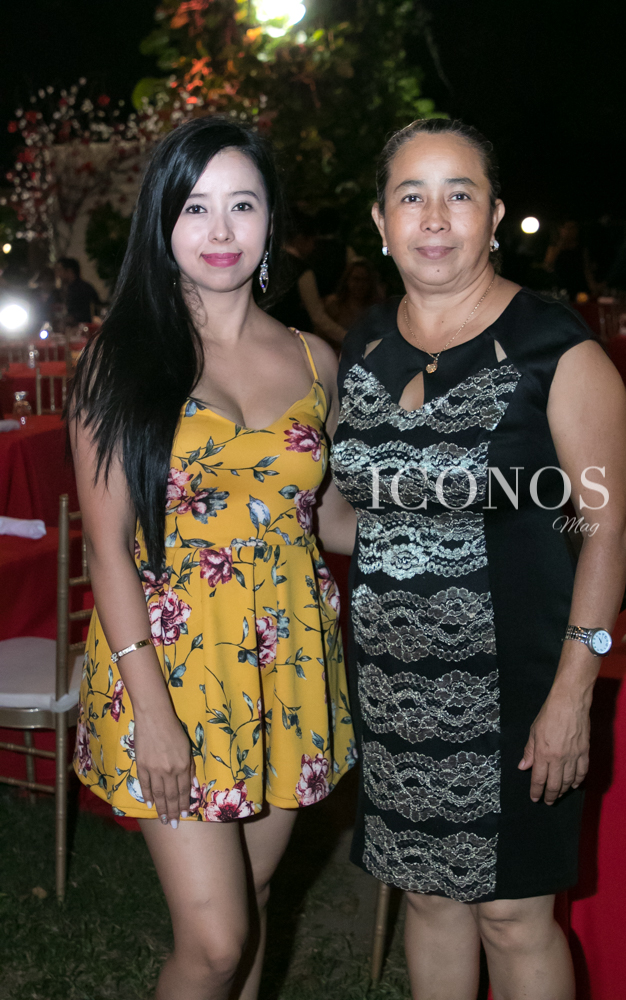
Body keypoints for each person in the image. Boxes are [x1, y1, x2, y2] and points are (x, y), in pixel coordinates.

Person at [330, 118, 626, 1000]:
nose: (434, 217)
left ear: (493, 216)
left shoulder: (554, 346)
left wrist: (573, 692)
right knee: (427, 899)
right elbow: (355, 515)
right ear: (380, 221)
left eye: (458, 194)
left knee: (513, 916)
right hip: (393, 683)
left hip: (520, 681)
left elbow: (607, 529)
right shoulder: (362, 344)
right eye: (411, 196)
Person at [67, 116, 356, 1000]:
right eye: (195, 207)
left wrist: (457, 522)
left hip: (285, 662)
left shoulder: (315, 360)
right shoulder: (120, 359)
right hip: (167, 666)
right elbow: (107, 550)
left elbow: (328, 519)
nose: (221, 230)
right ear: (162, 222)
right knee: (218, 942)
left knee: (255, 902)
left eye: (243, 205)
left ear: (272, 221)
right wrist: (153, 716)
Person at [267, 211, 347, 346]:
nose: (314, 247)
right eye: (313, 241)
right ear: (301, 239)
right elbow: (318, 316)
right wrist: (347, 337)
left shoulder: (267, 261)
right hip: (291, 340)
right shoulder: (301, 270)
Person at [324, 258, 384, 334]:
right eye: (356, 279)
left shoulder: (376, 309)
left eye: (365, 280)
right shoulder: (334, 305)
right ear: (347, 280)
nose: (360, 285)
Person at [542, 220, 594, 300]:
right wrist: (561, 243)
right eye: (568, 228)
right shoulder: (554, 247)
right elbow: (548, 264)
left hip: (578, 285)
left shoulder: (580, 248)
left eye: (573, 228)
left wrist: (592, 286)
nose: (571, 231)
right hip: (560, 286)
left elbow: (586, 268)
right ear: (560, 229)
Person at [54, 257, 100, 324]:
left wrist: (67, 319)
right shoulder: (66, 289)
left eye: (60, 270)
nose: (57, 274)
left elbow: (86, 313)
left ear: (69, 271)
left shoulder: (83, 289)